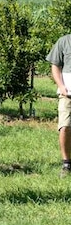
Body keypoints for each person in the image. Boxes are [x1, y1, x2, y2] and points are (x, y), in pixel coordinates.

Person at [47, 33, 71, 176]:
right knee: (65, 126)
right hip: (67, 94)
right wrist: (61, 86)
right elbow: (55, 66)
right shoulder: (64, 41)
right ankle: (66, 163)